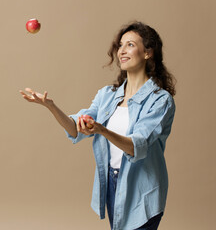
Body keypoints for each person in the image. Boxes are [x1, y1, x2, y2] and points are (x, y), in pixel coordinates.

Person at [19, 21, 176, 230]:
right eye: (120, 45)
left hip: (142, 187)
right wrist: (51, 106)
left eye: (130, 44)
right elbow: (75, 128)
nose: (122, 51)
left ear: (148, 53)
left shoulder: (160, 100)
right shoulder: (107, 95)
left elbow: (138, 145)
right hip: (113, 182)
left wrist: (101, 129)